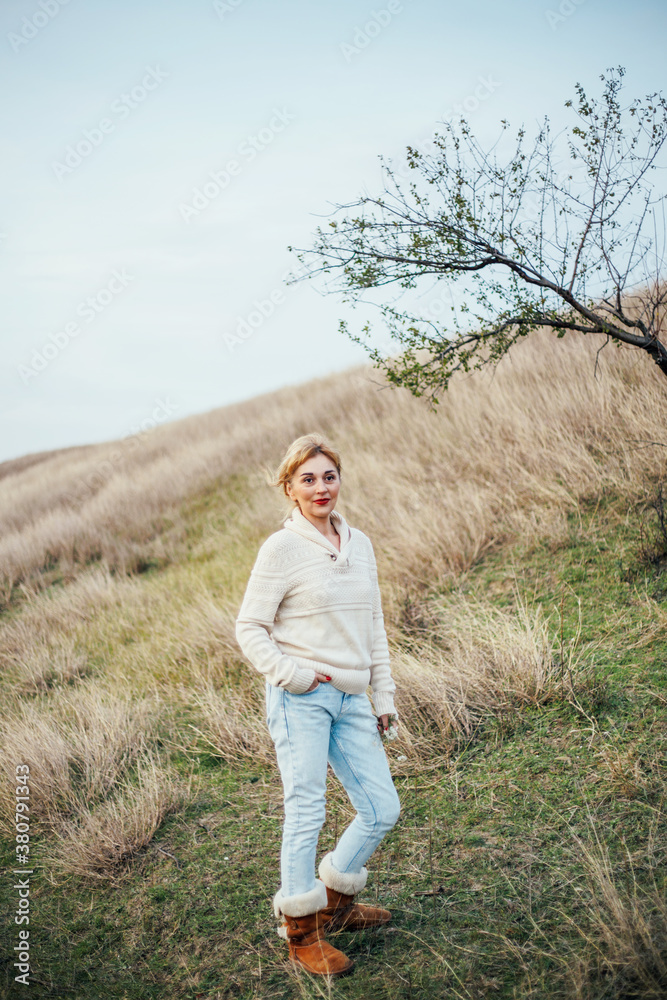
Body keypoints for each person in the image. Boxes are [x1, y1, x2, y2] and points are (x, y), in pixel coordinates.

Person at [235, 433, 401, 976]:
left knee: (381, 808)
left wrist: (383, 695)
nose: (320, 487)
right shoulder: (280, 549)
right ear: (289, 488)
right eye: (307, 479)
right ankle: (301, 932)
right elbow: (250, 627)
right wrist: (294, 675)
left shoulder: (361, 543)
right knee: (307, 809)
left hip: (353, 696)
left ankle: (334, 904)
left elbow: (373, 624)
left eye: (328, 476)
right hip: (300, 698)